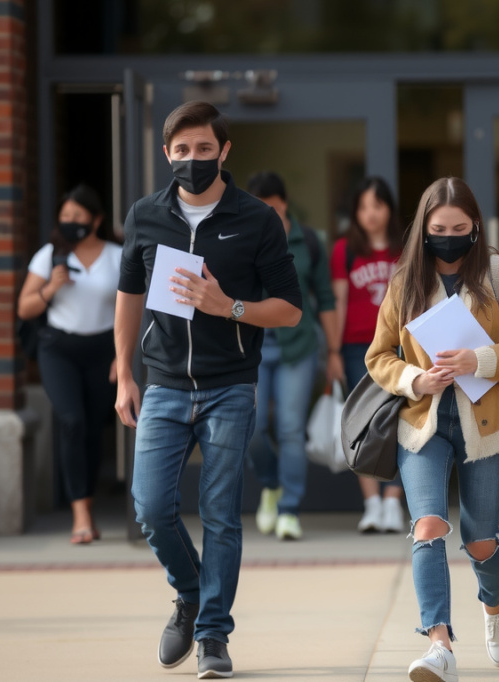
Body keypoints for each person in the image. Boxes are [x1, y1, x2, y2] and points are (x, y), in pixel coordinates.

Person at [114, 100, 303, 679]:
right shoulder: (145, 215)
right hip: (164, 384)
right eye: (181, 149)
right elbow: (128, 297)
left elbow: (290, 309)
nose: (192, 159)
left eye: (203, 148)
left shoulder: (257, 219)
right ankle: (192, 591)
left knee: (220, 513)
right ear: (166, 153)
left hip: (230, 386)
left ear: (224, 152)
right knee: (151, 507)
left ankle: (213, 634)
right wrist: (123, 372)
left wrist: (230, 307)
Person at [365, 177, 499, 682]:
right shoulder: (405, 281)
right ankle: (438, 644)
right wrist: (415, 378)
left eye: (458, 228)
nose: (447, 238)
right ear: (423, 230)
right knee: (427, 526)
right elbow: (378, 356)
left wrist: (479, 359)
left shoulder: (498, 273)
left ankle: (495, 602)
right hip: (423, 425)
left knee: (480, 538)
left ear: (475, 227)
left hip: (488, 425)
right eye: (438, 229)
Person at [17, 183, 121, 545]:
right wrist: (51, 288)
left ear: (96, 220)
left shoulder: (117, 256)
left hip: (103, 351)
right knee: (71, 421)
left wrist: (122, 357)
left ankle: (87, 504)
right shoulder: (49, 256)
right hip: (59, 350)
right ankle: (80, 515)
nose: (71, 222)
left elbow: (134, 309)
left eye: (78, 216)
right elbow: (24, 308)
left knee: (92, 430)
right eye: (65, 216)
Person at [245, 171, 342, 542]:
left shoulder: (309, 241)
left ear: (284, 204)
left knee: (289, 428)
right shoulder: (244, 237)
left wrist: (333, 351)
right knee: (251, 428)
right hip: (253, 347)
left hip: (298, 347)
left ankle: (289, 509)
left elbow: (326, 298)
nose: (265, 214)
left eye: (270, 206)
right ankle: (272, 484)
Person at [330, 176, 406, 533]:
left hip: (399, 347)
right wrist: (333, 350)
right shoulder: (344, 250)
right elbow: (339, 301)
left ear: (389, 208)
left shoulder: (404, 249)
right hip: (356, 347)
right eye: (363, 207)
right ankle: (372, 504)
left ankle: (392, 502)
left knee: (398, 421)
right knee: (361, 422)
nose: (370, 213)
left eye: (377, 205)